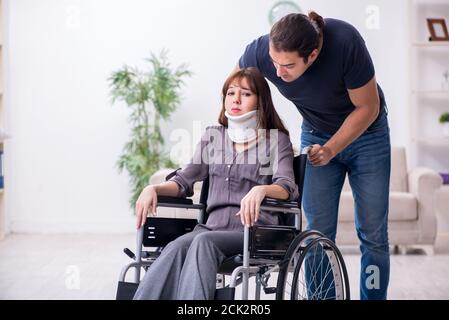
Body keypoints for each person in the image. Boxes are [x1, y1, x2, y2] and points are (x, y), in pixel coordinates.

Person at [235, 12, 391, 300]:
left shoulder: (345, 42)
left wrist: (332, 148)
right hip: (316, 133)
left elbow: (368, 108)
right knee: (317, 234)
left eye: (289, 65)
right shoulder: (259, 52)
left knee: (373, 235)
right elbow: (237, 94)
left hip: (369, 135)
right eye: (274, 62)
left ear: (313, 54)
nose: (279, 73)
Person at [133, 67, 299, 300]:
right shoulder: (214, 137)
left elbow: (287, 186)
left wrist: (261, 189)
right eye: (231, 93)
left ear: (261, 101)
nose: (236, 100)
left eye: (246, 94)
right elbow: (184, 180)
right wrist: (153, 188)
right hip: (211, 228)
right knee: (174, 248)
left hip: (253, 231)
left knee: (202, 243)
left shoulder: (275, 140)